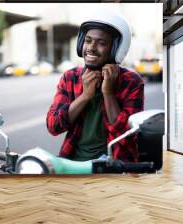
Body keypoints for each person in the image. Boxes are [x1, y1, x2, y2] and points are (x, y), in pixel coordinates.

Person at [46, 13, 144, 162]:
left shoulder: (131, 81)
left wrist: (108, 93)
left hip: (116, 164)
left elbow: (127, 136)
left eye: (101, 43)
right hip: (74, 162)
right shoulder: (70, 77)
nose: (91, 48)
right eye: (87, 41)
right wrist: (85, 96)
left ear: (115, 49)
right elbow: (54, 126)